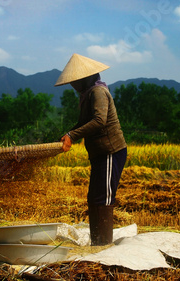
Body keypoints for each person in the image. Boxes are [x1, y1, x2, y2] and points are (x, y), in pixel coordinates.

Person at [55, 53, 127, 246]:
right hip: (99, 154)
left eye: (75, 81)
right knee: (94, 197)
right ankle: (97, 242)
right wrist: (67, 135)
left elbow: (98, 121)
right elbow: (83, 123)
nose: (73, 86)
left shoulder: (97, 92)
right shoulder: (88, 95)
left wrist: (72, 135)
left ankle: (103, 244)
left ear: (84, 78)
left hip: (110, 151)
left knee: (103, 198)